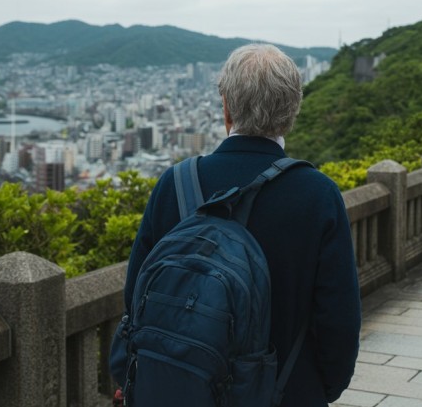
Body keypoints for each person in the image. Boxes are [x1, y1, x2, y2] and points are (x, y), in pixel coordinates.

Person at [113, 44, 361, 406]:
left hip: (183, 391)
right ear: (292, 109)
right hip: (286, 391)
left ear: (226, 106)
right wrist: (320, 390)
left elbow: (135, 298)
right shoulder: (318, 195)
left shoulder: (175, 184)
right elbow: (338, 320)